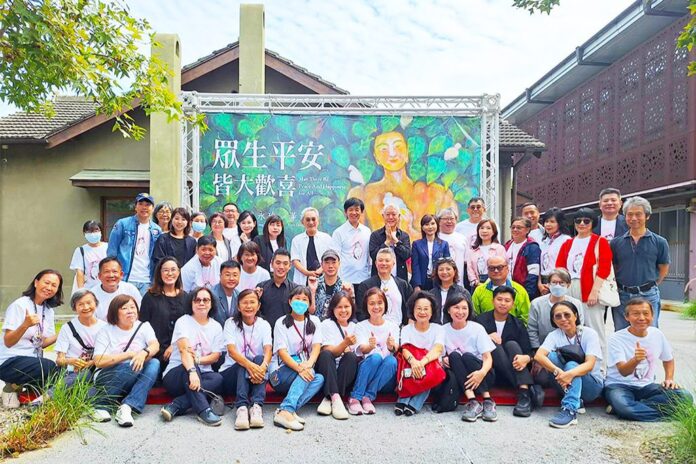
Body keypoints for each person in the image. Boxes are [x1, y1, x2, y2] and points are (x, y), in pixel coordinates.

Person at [347, 129, 457, 237]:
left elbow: (448, 240)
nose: (392, 153)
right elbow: (356, 239)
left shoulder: (436, 193)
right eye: (383, 149)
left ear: (407, 152)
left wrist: (409, 230)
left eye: (398, 146)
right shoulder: (362, 195)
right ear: (376, 158)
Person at [604, 298, 692, 421]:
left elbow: (668, 359)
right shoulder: (616, 338)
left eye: (646, 313)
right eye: (636, 314)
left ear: (652, 315)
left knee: (685, 397)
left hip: (647, 386)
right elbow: (624, 372)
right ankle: (672, 413)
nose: (641, 318)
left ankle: (627, 408)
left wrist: (669, 378)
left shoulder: (657, 334)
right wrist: (636, 360)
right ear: (626, 317)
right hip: (619, 385)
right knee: (626, 408)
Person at [160, 287, 224, 426]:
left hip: (201, 375)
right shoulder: (183, 321)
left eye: (205, 300)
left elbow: (215, 356)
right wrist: (192, 370)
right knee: (188, 364)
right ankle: (204, 411)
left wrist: (198, 360)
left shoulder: (216, 327)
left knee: (218, 378)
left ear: (211, 303)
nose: (201, 303)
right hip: (177, 375)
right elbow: (184, 350)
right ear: (191, 303)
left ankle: (176, 405)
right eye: (197, 300)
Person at [92, 295, 160, 426]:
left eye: (132, 307)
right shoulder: (106, 331)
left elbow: (155, 345)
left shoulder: (144, 326)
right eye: (124, 308)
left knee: (154, 363)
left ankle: (128, 406)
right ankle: (101, 405)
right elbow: (99, 361)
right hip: (107, 377)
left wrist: (143, 353)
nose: (130, 311)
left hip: (133, 374)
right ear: (115, 312)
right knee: (131, 365)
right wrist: (129, 355)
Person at [534, 301, 604, 429]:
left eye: (567, 315)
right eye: (558, 316)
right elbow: (539, 356)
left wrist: (569, 374)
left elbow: (590, 364)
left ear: (575, 316)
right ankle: (576, 400)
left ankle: (570, 410)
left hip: (592, 386)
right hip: (564, 381)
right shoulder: (554, 335)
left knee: (572, 365)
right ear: (553, 320)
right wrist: (557, 371)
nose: (563, 319)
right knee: (551, 356)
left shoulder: (589, 333)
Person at [556, 207, 612, 358]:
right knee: (570, 325)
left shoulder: (600, 241)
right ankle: (575, 361)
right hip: (569, 286)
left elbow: (604, 268)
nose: (581, 224)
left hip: (590, 286)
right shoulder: (568, 243)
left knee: (595, 328)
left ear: (593, 223)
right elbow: (560, 268)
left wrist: (595, 291)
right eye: (578, 220)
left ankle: (600, 366)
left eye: (586, 221)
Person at [475, 287, 539, 417]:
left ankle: (524, 394)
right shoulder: (480, 321)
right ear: (492, 301)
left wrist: (526, 358)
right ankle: (525, 390)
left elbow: (528, 351)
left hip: (516, 368)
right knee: (494, 345)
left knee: (512, 344)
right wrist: (486, 337)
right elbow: (471, 345)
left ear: (513, 304)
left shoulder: (517, 324)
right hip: (492, 372)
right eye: (499, 299)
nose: (503, 303)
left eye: (507, 300)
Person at [0, 270, 62, 400]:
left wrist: (62, 333)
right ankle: (12, 387)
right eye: (46, 282)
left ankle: (25, 394)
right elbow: (8, 342)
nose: (49, 288)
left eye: (54, 285)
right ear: (36, 282)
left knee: (60, 370)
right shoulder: (20, 305)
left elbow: (41, 344)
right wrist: (25, 325)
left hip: (31, 360)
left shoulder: (48, 311)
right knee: (48, 367)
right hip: (9, 361)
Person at [270, 287, 325, 431]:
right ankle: (287, 410)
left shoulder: (314, 321)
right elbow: (282, 352)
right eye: (297, 299)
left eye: (305, 299)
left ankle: (287, 410)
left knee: (319, 379)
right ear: (290, 301)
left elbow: (317, 347)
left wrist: (309, 364)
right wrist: (301, 368)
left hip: (303, 369)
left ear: (309, 303)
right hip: (279, 373)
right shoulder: (281, 322)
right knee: (310, 374)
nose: (300, 302)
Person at [610, 197, 670, 331]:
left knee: (649, 332)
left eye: (638, 214)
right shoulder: (616, 243)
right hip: (622, 295)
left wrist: (651, 284)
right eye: (629, 214)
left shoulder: (660, 242)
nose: (634, 218)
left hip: (648, 295)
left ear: (647, 216)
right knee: (622, 332)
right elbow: (614, 267)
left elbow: (663, 267)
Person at [220, 289, 272, 430]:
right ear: (238, 306)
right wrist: (251, 366)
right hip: (231, 374)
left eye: (252, 302)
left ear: (258, 305)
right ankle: (242, 407)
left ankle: (256, 406)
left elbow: (268, 350)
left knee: (260, 358)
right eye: (244, 303)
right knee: (242, 362)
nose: (248, 306)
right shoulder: (230, 323)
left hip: (255, 374)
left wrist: (262, 367)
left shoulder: (264, 325)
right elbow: (232, 352)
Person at [439, 294, 497, 422]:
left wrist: (481, 373)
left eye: (464, 308)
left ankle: (487, 400)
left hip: (483, 375)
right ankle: (473, 401)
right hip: (462, 376)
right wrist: (444, 360)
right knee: (454, 355)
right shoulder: (442, 330)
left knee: (467, 357)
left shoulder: (477, 328)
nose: (460, 312)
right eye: (456, 307)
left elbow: (488, 358)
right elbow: (440, 355)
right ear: (448, 310)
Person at [348, 288, 399, 415]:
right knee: (376, 357)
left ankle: (368, 396)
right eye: (372, 303)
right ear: (366, 306)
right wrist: (370, 346)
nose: (376, 307)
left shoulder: (393, 326)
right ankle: (355, 396)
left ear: (385, 304)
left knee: (392, 360)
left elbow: (395, 348)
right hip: (366, 371)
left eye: (380, 303)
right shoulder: (361, 326)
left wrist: (391, 346)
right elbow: (361, 349)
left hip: (384, 375)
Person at [52, 289, 106, 406]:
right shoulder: (67, 328)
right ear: (74, 307)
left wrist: (91, 363)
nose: (86, 307)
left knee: (92, 385)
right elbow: (59, 360)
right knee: (83, 375)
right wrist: (71, 361)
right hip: (73, 373)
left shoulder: (105, 327)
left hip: (98, 371)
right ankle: (44, 399)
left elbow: (109, 354)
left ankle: (57, 397)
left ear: (96, 303)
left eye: (89, 303)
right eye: (80, 304)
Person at [395, 291, 445, 416]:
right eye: (419, 308)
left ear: (432, 311)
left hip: (430, 364)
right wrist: (414, 362)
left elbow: (438, 349)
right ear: (413, 310)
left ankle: (414, 404)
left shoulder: (438, 329)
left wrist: (421, 363)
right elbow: (405, 349)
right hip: (411, 363)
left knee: (427, 370)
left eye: (426, 309)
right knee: (409, 367)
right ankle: (404, 399)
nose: (422, 312)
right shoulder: (406, 329)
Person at [106, 193, 162, 295]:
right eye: (141, 204)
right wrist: (114, 274)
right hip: (126, 278)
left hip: (147, 280)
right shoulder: (123, 224)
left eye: (148, 205)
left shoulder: (157, 230)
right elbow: (112, 251)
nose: (144, 207)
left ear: (153, 208)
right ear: (135, 207)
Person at [139, 257, 187, 374]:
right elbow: (142, 326)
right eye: (165, 270)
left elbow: (188, 328)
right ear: (159, 273)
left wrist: (174, 346)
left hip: (179, 352)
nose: (169, 273)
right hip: (155, 353)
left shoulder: (186, 297)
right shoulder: (150, 297)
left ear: (179, 272)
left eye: (173, 270)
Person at [314, 292, 357, 420]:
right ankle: (336, 398)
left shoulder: (356, 327)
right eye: (339, 307)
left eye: (346, 306)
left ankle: (329, 397)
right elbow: (328, 350)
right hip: (328, 370)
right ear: (333, 309)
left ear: (352, 307)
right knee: (326, 355)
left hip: (345, 374)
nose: (343, 310)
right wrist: (344, 344)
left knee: (351, 357)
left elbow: (356, 353)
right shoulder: (326, 324)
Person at [528, 268, 584, 350]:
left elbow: (579, 327)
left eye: (561, 283)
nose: (558, 286)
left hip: (570, 349)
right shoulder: (536, 304)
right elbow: (532, 329)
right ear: (548, 284)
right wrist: (536, 349)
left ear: (568, 285)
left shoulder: (576, 303)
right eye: (554, 282)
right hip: (543, 348)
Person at [356, 247, 413, 326]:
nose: (383, 263)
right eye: (380, 260)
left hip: (398, 328)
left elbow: (411, 309)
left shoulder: (403, 285)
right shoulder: (366, 286)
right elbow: (361, 313)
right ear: (376, 263)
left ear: (393, 263)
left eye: (387, 260)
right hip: (374, 328)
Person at [471, 256, 531, 323]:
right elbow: (474, 316)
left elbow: (526, 318)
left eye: (500, 267)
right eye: (492, 268)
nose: (496, 271)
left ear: (507, 269)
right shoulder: (479, 291)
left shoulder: (520, 291)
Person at [332, 197, 372, 292]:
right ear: (345, 212)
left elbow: (369, 257)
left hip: (364, 279)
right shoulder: (338, 232)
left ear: (361, 212)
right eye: (351, 210)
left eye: (357, 210)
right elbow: (335, 257)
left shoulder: (367, 231)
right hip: (345, 280)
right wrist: (339, 280)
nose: (354, 213)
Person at [291, 207, 336, 285]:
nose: (311, 222)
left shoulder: (327, 238)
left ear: (318, 221)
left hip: (323, 278)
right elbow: (295, 260)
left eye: (313, 219)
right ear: (302, 222)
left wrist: (321, 270)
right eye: (308, 220)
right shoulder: (296, 240)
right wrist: (307, 273)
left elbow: (331, 258)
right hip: (302, 279)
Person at [257, 249, 301, 328]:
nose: (281, 267)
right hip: (266, 332)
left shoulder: (296, 289)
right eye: (278, 263)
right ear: (271, 264)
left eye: (285, 263)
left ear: (290, 266)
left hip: (287, 332)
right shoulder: (261, 287)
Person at [368, 204, 411, 281]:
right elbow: (373, 255)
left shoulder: (404, 236)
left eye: (394, 214)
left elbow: (406, 255)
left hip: (399, 279)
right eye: (387, 214)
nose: (391, 217)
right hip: (378, 279)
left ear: (399, 216)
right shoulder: (375, 235)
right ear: (383, 216)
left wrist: (396, 241)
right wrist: (386, 243)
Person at [411, 214, 450, 292]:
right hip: (422, 281)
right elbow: (415, 266)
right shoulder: (416, 244)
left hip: (438, 281)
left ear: (437, 225)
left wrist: (446, 282)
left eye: (432, 223)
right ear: (422, 227)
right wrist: (417, 285)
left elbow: (447, 264)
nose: (430, 227)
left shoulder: (444, 244)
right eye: (427, 224)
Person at [504, 217, 541, 300]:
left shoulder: (532, 247)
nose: (515, 230)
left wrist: (527, 293)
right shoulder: (507, 245)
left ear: (527, 230)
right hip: (508, 288)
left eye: (519, 227)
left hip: (523, 290)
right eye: (513, 227)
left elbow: (533, 272)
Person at [311, 250, 353, 320]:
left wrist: (348, 294)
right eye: (327, 263)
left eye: (334, 262)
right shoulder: (314, 283)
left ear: (339, 264)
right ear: (321, 264)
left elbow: (351, 312)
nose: (330, 266)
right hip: (317, 324)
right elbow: (310, 311)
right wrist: (312, 292)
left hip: (338, 323)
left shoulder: (346, 286)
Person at [538, 208, 572, 296]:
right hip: (543, 282)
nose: (548, 224)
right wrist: (540, 283)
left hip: (559, 281)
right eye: (546, 221)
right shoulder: (543, 241)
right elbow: (539, 265)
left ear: (560, 223)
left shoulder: (566, 240)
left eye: (552, 222)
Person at [152, 207, 196, 272]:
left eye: (183, 219)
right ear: (172, 219)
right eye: (176, 218)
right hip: (167, 275)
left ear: (187, 222)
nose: (179, 222)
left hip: (186, 276)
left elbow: (194, 262)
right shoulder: (163, 239)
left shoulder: (192, 241)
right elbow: (158, 260)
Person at [70, 220, 108, 293]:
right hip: (88, 289)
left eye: (96, 230)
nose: (93, 234)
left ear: (101, 232)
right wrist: (81, 291)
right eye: (89, 231)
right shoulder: (80, 250)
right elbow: (80, 272)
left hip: (106, 288)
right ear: (84, 234)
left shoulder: (108, 247)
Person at [429, 257, 471, 323]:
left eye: (448, 269)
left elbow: (470, 315)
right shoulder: (431, 294)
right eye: (441, 270)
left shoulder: (463, 292)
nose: (444, 272)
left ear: (454, 271)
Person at [466, 219, 506, 288]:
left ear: (493, 232)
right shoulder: (473, 250)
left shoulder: (499, 248)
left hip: (495, 283)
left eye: (488, 228)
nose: (484, 231)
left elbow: (503, 267)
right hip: (477, 285)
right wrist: (475, 281)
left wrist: (490, 281)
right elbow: (470, 269)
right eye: (482, 228)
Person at [436, 207, 468, 288]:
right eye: (446, 219)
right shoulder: (435, 238)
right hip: (438, 283)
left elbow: (466, 261)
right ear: (439, 221)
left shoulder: (462, 238)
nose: (449, 221)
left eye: (452, 219)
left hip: (459, 283)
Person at [212, 261, 241, 327]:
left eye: (235, 275)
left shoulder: (239, 295)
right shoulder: (211, 294)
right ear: (220, 276)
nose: (231, 278)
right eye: (227, 275)